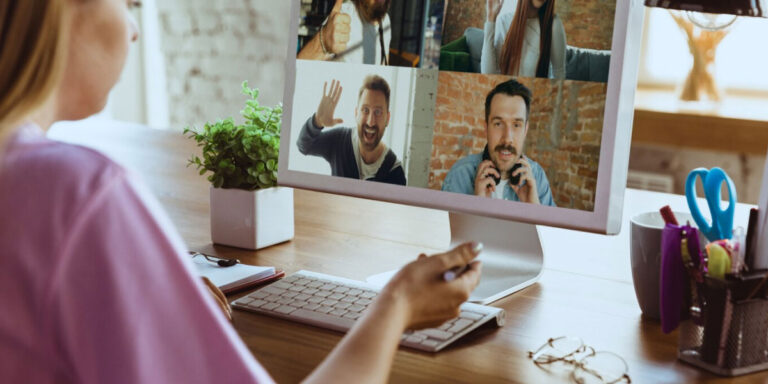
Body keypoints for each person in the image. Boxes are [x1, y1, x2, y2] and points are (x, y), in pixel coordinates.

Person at [0, 1, 482, 383]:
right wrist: (396, 306)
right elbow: (307, 139)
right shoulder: (78, 196)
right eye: (127, 3)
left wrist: (167, 318)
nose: (133, 29)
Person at [442, 79, 555, 206]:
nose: (507, 138)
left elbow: (551, 226)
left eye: (516, 125)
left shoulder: (538, 177)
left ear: (525, 130)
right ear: (486, 128)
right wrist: (477, 205)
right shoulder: (459, 175)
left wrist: (535, 208)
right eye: (498, 124)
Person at [297, 75, 407, 185]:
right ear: (356, 113)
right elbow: (304, 146)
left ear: (387, 119)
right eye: (365, 110)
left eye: (378, 112)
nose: (370, 122)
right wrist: (317, 122)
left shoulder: (395, 173)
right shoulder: (339, 141)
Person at [481, 0, 566, 79]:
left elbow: (559, 74)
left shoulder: (554, 25)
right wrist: (490, 19)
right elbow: (488, 75)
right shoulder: (504, 21)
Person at [298, 0, 391, 65]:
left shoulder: (385, 21)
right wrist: (323, 42)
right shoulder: (344, 14)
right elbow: (296, 73)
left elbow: (384, 66)